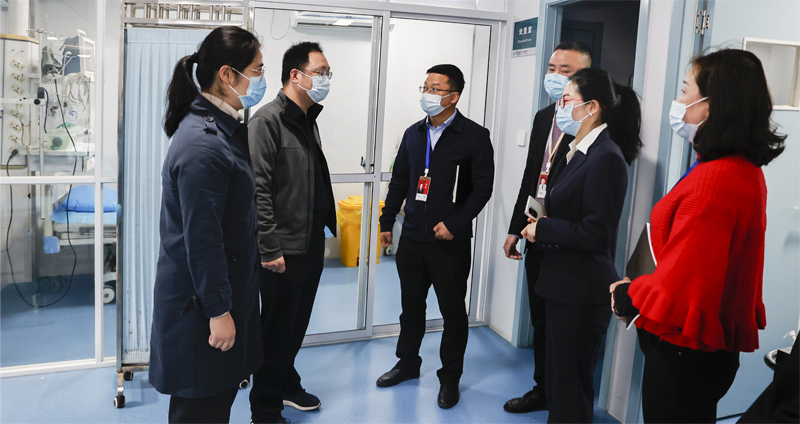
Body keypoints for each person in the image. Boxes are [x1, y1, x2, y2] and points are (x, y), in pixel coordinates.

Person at [610, 48, 786, 423]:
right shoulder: (738, 168)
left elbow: (684, 282)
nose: (678, 102)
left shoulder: (715, 182)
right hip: (700, 350)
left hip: (683, 352)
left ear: (712, 105)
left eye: (685, 90)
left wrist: (629, 293)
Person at [149, 26, 265, 424]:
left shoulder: (222, 130)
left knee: (215, 404)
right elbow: (203, 239)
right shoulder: (204, 143)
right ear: (227, 74)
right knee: (201, 410)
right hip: (201, 307)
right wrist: (218, 311)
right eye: (258, 70)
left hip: (221, 293)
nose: (261, 79)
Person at [520, 67, 642, 423]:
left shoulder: (606, 157)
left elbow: (597, 234)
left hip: (581, 289)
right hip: (561, 284)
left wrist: (544, 229)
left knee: (571, 389)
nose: (560, 107)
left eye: (566, 100)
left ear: (592, 107)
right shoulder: (575, 150)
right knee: (559, 382)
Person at [376, 64, 495, 409]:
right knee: (411, 308)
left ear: (453, 96)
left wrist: (455, 224)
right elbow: (400, 180)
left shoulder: (474, 136)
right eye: (425, 87)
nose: (427, 94)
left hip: (449, 242)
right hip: (412, 237)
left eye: (435, 89)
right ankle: (407, 364)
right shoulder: (414, 133)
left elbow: (482, 189)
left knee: (453, 313)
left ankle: (450, 377)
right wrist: (387, 222)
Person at [248, 42, 336, 424]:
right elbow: (258, 191)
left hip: (309, 243)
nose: (326, 79)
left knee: (295, 327)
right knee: (277, 331)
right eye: (321, 72)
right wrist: (270, 248)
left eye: (328, 73)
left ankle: (286, 383)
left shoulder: (307, 119)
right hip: (281, 250)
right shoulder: (267, 122)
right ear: (296, 75)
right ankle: (265, 410)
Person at [503, 40, 592, 414]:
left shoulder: (591, 123)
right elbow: (531, 176)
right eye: (552, 68)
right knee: (540, 318)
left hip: (568, 241)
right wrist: (514, 229)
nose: (554, 76)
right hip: (534, 233)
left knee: (566, 328)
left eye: (565, 71)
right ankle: (543, 388)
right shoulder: (544, 117)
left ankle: (564, 399)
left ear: (584, 78)